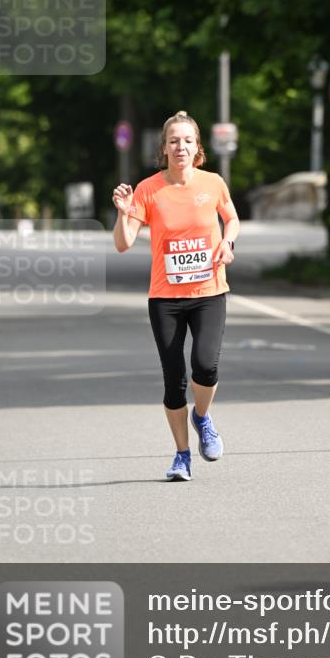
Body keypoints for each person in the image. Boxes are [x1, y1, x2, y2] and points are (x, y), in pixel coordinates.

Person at [112, 111, 239, 482]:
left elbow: (230, 218)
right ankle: (182, 455)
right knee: (174, 380)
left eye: (187, 141)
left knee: (206, 365)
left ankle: (202, 417)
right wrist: (123, 214)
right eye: (173, 141)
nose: (180, 147)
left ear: (197, 148)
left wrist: (228, 242)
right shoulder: (148, 190)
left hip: (209, 291)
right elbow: (123, 244)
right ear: (163, 148)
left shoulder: (213, 183)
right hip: (165, 298)